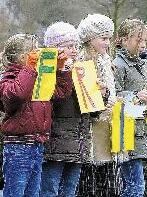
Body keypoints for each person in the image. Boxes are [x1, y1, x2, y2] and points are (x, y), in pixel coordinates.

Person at [0, 33, 72, 197]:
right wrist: (30, 68)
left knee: (33, 193)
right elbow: (17, 94)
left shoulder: (37, 76)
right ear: (23, 57)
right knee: (15, 192)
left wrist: (60, 69)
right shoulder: (7, 78)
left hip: (37, 144)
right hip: (18, 146)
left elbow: (61, 93)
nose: (38, 55)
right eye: (34, 52)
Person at [76, 13, 118, 196]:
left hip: (105, 124)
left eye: (109, 38)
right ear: (90, 38)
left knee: (107, 180)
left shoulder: (105, 60)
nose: (107, 43)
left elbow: (109, 92)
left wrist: (108, 95)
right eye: (103, 38)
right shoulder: (81, 61)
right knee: (88, 181)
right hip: (89, 127)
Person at [112, 18, 147, 196]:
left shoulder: (142, 64)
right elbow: (113, 97)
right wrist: (135, 96)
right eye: (139, 40)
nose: (143, 45)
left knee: (134, 185)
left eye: (145, 40)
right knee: (135, 186)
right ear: (123, 39)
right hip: (125, 132)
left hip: (140, 129)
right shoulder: (118, 65)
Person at [39, 21, 81, 197]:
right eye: (69, 46)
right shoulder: (47, 70)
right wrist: (66, 73)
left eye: (75, 46)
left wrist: (102, 92)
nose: (74, 50)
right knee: (50, 190)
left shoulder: (80, 69)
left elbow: (92, 109)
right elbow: (54, 98)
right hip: (56, 141)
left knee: (69, 191)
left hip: (77, 141)